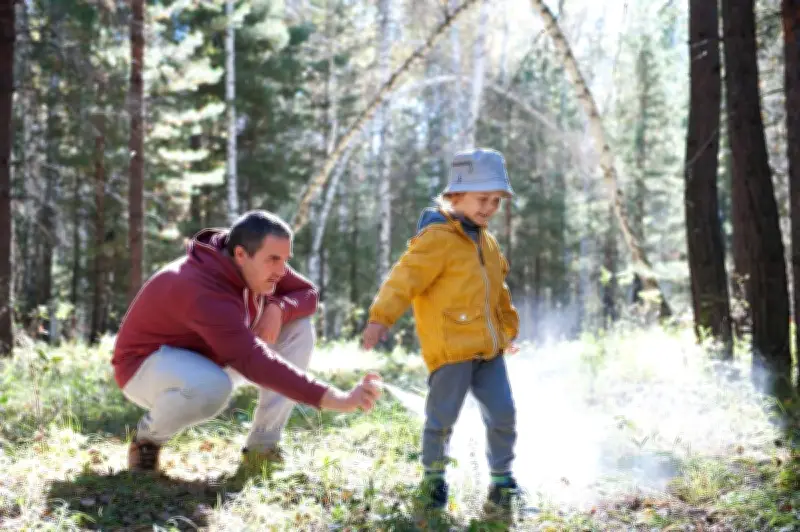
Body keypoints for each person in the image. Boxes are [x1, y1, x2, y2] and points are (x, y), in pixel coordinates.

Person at [113, 210, 382, 474]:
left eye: (285, 260)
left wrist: (279, 308)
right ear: (241, 254)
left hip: (215, 356)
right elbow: (255, 361)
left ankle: (262, 448)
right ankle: (148, 440)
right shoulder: (200, 288)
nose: (281, 271)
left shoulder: (251, 263)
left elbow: (308, 293)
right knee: (211, 387)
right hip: (145, 368)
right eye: (273, 260)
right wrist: (338, 399)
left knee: (298, 328)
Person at [362, 147, 521, 514]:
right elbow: (404, 280)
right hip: (451, 351)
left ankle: (502, 480)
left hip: (489, 352)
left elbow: (498, 292)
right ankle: (433, 479)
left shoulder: (488, 242)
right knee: (441, 419)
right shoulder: (436, 238)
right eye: (483, 199)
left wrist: (508, 330)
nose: (489, 208)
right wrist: (379, 318)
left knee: (503, 413)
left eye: (496, 201)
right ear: (455, 195)